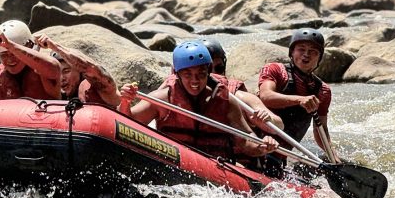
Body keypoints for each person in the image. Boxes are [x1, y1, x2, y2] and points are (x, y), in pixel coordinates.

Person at [119, 41, 278, 160]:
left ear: (208, 72)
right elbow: (127, 123)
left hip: (217, 168)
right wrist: (125, 101)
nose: (195, 81)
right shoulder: (162, 98)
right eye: (188, 74)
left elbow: (245, 141)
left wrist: (262, 146)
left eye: (201, 74)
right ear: (177, 74)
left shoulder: (225, 101)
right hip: (172, 161)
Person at [257, 28, 339, 167]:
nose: (306, 55)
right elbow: (266, 96)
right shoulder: (276, 70)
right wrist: (299, 100)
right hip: (256, 144)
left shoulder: (323, 91)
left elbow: (321, 129)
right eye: (301, 49)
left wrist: (333, 156)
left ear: (319, 58)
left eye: (313, 51)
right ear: (292, 52)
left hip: (280, 155)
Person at [200, 38, 283, 133]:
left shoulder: (237, 95)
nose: (214, 74)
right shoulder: (183, 91)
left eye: (219, 68)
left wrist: (269, 119)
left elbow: (279, 126)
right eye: (208, 70)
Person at [33, 33, 121, 107]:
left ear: (80, 72)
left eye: (66, 71)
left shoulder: (99, 88)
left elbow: (90, 68)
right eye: (58, 73)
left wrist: (54, 46)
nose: (62, 78)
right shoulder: (52, 91)